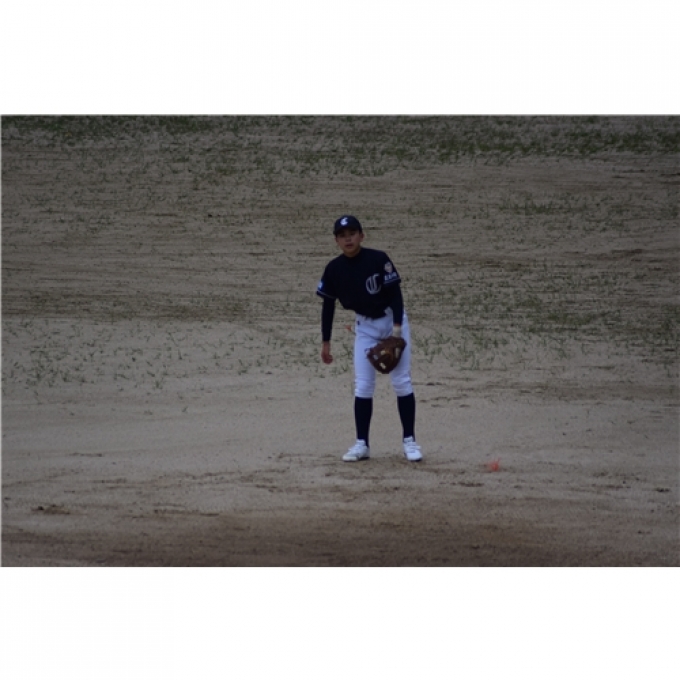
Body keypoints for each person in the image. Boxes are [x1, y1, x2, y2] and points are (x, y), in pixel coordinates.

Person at [316, 215, 423, 462]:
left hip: (392, 320)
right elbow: (328, 305)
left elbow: (395, 294)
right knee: (363, 385)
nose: (348, 239)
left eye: (352, 234)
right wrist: (326, 342)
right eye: (342, 236)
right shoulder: (334, 269)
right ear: (336, 241)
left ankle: (410, 441)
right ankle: (361, 444)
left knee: (402, 382)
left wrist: (397, 331)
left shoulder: (378, 259)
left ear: (361, 236)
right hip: (364, 327)